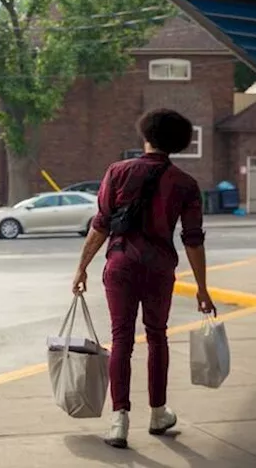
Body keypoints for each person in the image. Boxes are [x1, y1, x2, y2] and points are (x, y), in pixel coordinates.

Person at [70, 108, 216, 450]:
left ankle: (119, 420)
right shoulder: (186, 184)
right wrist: (202, 289)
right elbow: (192, 238)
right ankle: (158, 412)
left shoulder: (118, 172)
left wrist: (82, 267)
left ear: (145, 136)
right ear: (179, 143)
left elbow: (101, 224)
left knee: (121, 339)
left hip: (120, 264)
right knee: (157, 337)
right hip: (159, 269)